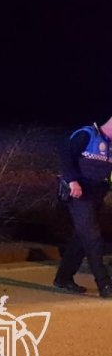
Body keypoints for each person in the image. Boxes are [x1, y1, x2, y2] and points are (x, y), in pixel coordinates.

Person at [52, 117, 112, 298]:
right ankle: (105, 285)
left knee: (81, 238)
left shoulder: (110, 144)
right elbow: (65, 157)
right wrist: (72, 181)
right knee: (93, 237)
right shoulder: (86, 134)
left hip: (96, 195)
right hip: (78, 194)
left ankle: (63, 279)